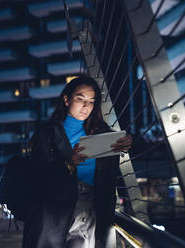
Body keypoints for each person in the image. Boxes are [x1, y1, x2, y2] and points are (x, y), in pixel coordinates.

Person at [23, 76, 132, 248]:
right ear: (66, 100)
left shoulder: (100, 132)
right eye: (80, 99)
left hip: (88, 209)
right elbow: (38, 175)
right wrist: (68, 164)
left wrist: (128, 142)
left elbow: (138, 147)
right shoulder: (47, 133)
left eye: (91, 101)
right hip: (54, 210)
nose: (85, 107)